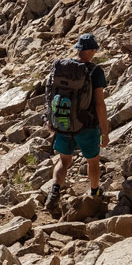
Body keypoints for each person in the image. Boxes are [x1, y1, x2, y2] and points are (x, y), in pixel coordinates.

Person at [45, 34, 110, 210]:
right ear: (88, 50)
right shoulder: (95, 71)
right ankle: (95, 191)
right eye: (94, 49)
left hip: (63, 122)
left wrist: (50, 119)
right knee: (92, 161)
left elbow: (50, 94)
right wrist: (105, 132)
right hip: (87, 125)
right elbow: (99, 105)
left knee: (64, 160)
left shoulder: (62, 68)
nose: (95, 52)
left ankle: (54, 191)